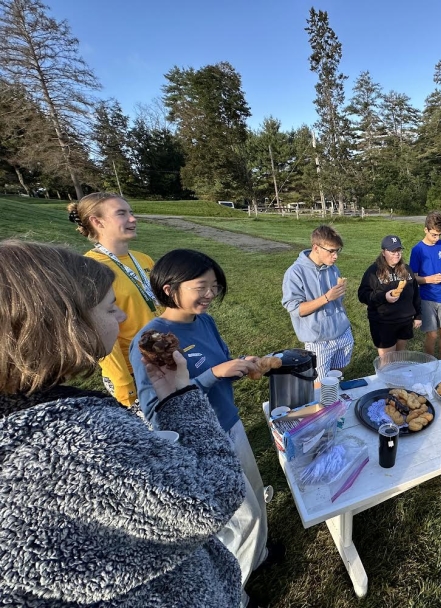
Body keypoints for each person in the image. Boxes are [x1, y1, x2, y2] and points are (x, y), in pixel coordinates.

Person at [0, 240, 244, 606]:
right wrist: (182, 400)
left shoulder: (30, 420)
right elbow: (211, 498)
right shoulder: (79, 438)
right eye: (110, 307)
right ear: (63, 323)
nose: (123, 318)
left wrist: (176, 394)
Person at [130, 249, 278, 608]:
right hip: (198, 440)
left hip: (229, 422)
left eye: (214, 286)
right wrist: (215, 374)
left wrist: (243, 365)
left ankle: (256, 556)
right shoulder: (154, 340)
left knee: (255, 494)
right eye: (202, 286)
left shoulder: (204, 321)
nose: (210, 294)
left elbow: (220, 364)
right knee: (241, 518)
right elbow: (155, 409)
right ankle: (232, 594)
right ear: (169, 289)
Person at [67, 192, 159, 407]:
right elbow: (97, 331)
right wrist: (122, 381)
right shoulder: (89, 269)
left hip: (162, 358)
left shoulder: (143, 259)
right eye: (121, 213)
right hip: (133, 370)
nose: (133, 219)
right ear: (97, 222)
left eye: (132, 212)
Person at [282, 225, 353, 383]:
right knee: (319, 386)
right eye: (331, 251)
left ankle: (336, 402)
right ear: (316, 247)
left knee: (337, 378)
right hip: (319, 340)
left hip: (342, 332)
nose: (335, 256)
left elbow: (338, 301)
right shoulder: (295, 272)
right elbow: (295, 309)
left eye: (337, 251)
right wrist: (326, 298)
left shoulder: (332, 269)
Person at [358, 235, 422, 357]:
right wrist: (384, 296)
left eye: (398, 250)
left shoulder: (407, 269)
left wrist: (418, 315)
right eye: (392, 251)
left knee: (399, 357)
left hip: (405, 320)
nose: (397, 254)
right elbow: (362, 295)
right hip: (383, 322)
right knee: (387, 361)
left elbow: (415, 293)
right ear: (383, 252)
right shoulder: (373, 271)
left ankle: (398, 376)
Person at [410, 211, 441, 359]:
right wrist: (429, 279)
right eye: (434, 234)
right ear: (426, 230)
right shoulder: (417, 250)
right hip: (427, 297)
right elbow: (414, 278)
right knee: (432, 335)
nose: (437, 238)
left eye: (439, 235)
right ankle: (430, 363)